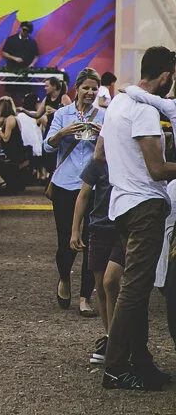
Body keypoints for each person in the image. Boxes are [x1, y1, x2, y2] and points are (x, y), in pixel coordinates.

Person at [99, 45, 176, 390]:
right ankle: (115, 366)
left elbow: (100, 153)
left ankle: (140, 362)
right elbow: (158, 170)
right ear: (164, 77)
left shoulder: (117, 104)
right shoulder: (144, 110)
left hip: (121, 204)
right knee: (134, 290)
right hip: (145, 206)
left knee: (138, 289)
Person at [46, 68, 105, 312]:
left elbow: (114, 150)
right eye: (86, 88)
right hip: (65, 184)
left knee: (93, 240)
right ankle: (64, 279)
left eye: (94, 88)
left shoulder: (104, 116)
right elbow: (48, 147)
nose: (90, 92)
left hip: (94, 186)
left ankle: (85, 298)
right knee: (65, 240)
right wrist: (63, 133)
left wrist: (104, 136)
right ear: (77, 89)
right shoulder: (62, 113)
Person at [73, 151, 124, 365]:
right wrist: (75, 230)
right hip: (98, 227)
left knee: (110, 282)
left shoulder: (128, 156)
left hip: (122, 227)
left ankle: (118, 341)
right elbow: (83, 194)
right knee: (101, 288)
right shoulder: (98, 161)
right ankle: (111, 337)